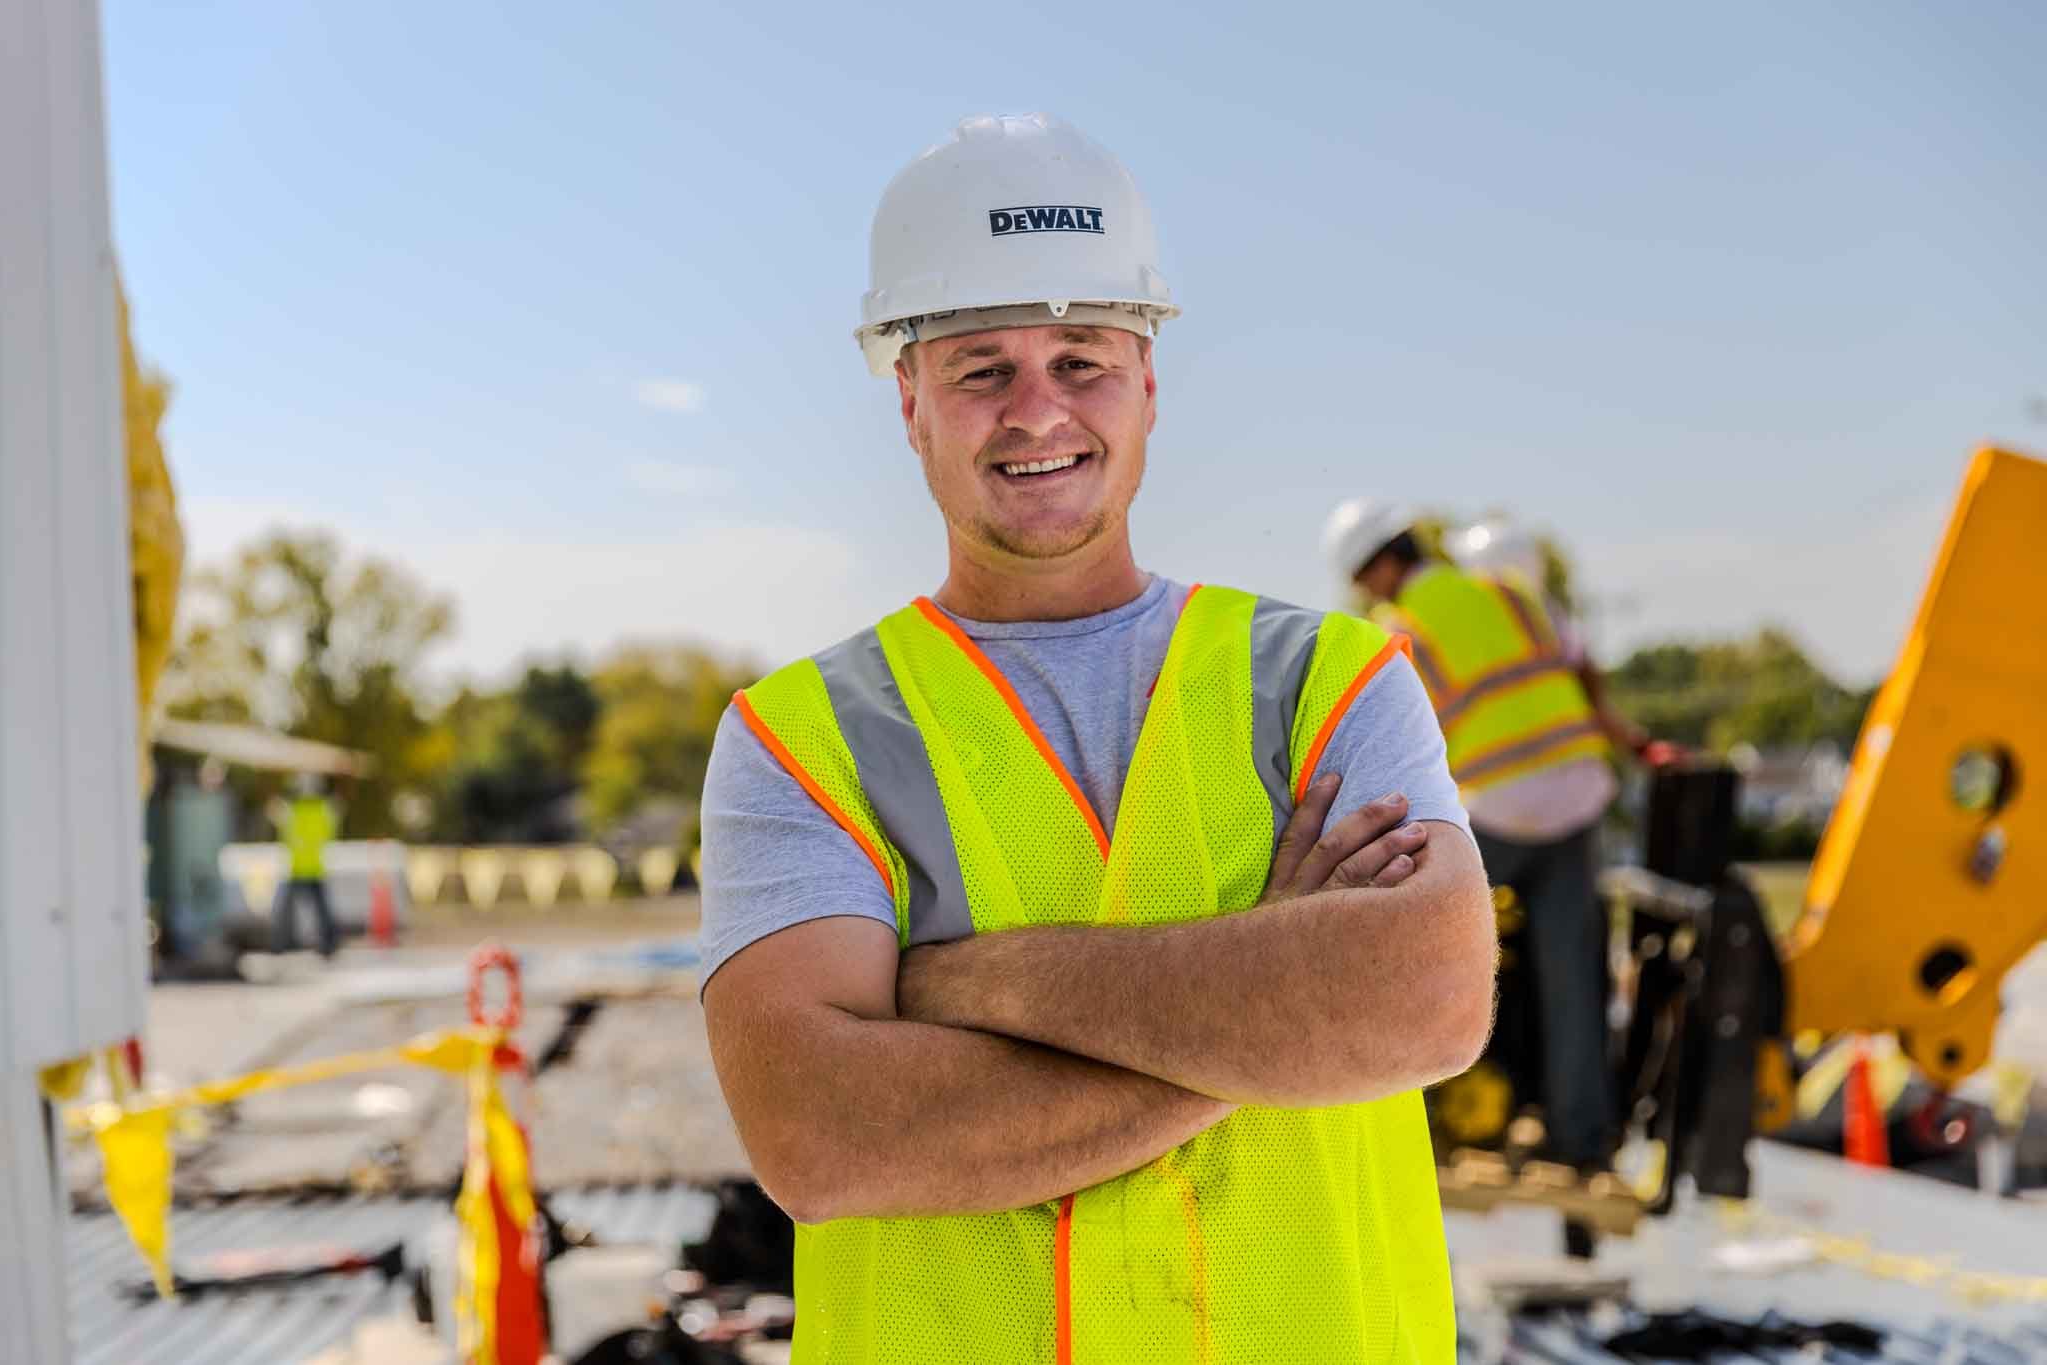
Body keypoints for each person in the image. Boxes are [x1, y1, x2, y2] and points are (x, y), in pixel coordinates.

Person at [697, 114, 1497, 1365]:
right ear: (907, 400)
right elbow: (821, 1136)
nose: (1036, 411)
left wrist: (968, 981)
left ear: (1147, 383)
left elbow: (1428, 1005)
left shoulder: (1329, 681)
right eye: (978, 369)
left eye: (1081, 359)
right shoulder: (799, 742)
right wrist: (1277, 1017)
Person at [1322, 500, 1646, 1171]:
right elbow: (1580, 669)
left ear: (1384, 565)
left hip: (1498, 806)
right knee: (1572, 980)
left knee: (1414, 950)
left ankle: (1420, 1123)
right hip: (1578, 796)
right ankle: (1581, 1142)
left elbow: (1397, 744)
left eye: (1363, 577)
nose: (1365, 590)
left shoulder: (1400, 627)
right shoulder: (1509, 590)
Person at [271, 772, 338, 957]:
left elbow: (285, 836)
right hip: (313, 867)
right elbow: (329, 834)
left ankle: (280, 944)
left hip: (299, 868)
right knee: (322, 912)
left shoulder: (293, 811)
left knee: (288, 912)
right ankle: (328, 945)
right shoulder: (323, 811)